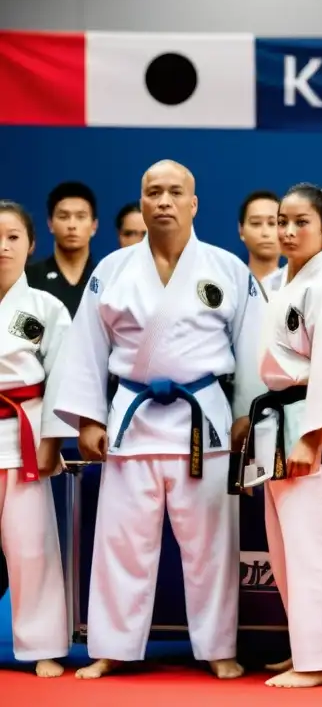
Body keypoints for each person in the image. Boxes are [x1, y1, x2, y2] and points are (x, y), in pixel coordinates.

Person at [47, 159, 265, 680]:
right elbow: (86, 348)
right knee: (121, 541)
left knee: (211, 545)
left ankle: (217, 647)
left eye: (174, 192)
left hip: (204, 425)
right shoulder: (113, 270)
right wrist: (88, 419)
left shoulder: (227, 268)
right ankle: (113, 645)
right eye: (153, 192)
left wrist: (245, 415)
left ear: (194, 203)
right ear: (141, 203)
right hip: (132, 421)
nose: (163, 201)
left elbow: (253, 345)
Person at [235, 184, 322, 688]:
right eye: (279, 222)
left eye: (301, 223)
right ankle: (306, 650)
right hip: (279, 426)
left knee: (317, 551)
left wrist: (313, 440)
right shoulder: (278, 283)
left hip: (314, 434)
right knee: (287, 550)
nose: (286, 232)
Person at [0, 201, 74, 678]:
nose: (2, 247)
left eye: (11, 237)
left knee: (32, 545)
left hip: (21, 436)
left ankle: (42, 644)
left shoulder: (46, 308)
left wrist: (52, 441)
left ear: (30, 245)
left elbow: (63, 377)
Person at [26, 181, 98, 317]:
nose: (72, 225)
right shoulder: (29, 277)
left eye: (80, 217)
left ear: (94, 226)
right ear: (50, 224)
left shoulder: (107, 277)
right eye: (63, 217)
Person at [238, 190, 284, 291]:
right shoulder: (231, 286)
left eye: (272, 223)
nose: (265, 232)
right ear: (241, 231)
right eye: (256, 223)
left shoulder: (299, 288)